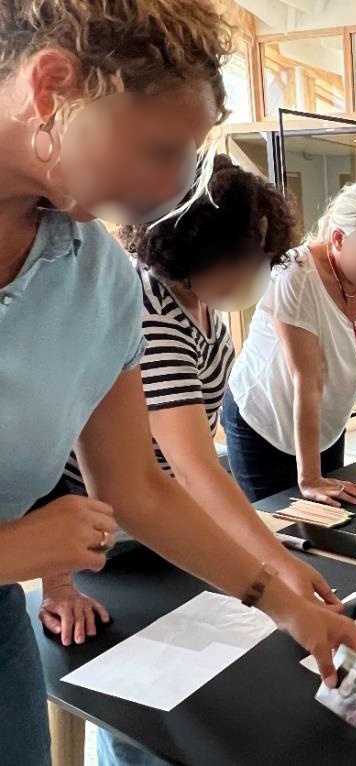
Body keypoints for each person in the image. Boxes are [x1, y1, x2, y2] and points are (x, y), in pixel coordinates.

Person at [0, 5, 356, 764]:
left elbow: (141, 484)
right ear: (52, 87)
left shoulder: (94, 275)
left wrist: (284, 606)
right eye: (160, 150)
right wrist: (15, 549)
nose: (172, 188)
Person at [40, 156, 338, 765]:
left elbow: (190, 464)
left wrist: (261, 559)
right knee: (136, 706)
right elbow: (192, 466)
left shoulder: (203, 310)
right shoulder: (147, 307)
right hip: (98, 536)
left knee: (191, 681)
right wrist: (275, 564)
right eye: (243, 257)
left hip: (153, 524)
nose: (255, 273)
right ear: (196, 245)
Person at [224, 181, 356, 504]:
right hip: (263, 421)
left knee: (337, 519)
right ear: (338, 239)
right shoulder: (295, 275)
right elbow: (307, 381)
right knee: (282, 531)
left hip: (322, 425)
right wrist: (310, 479)